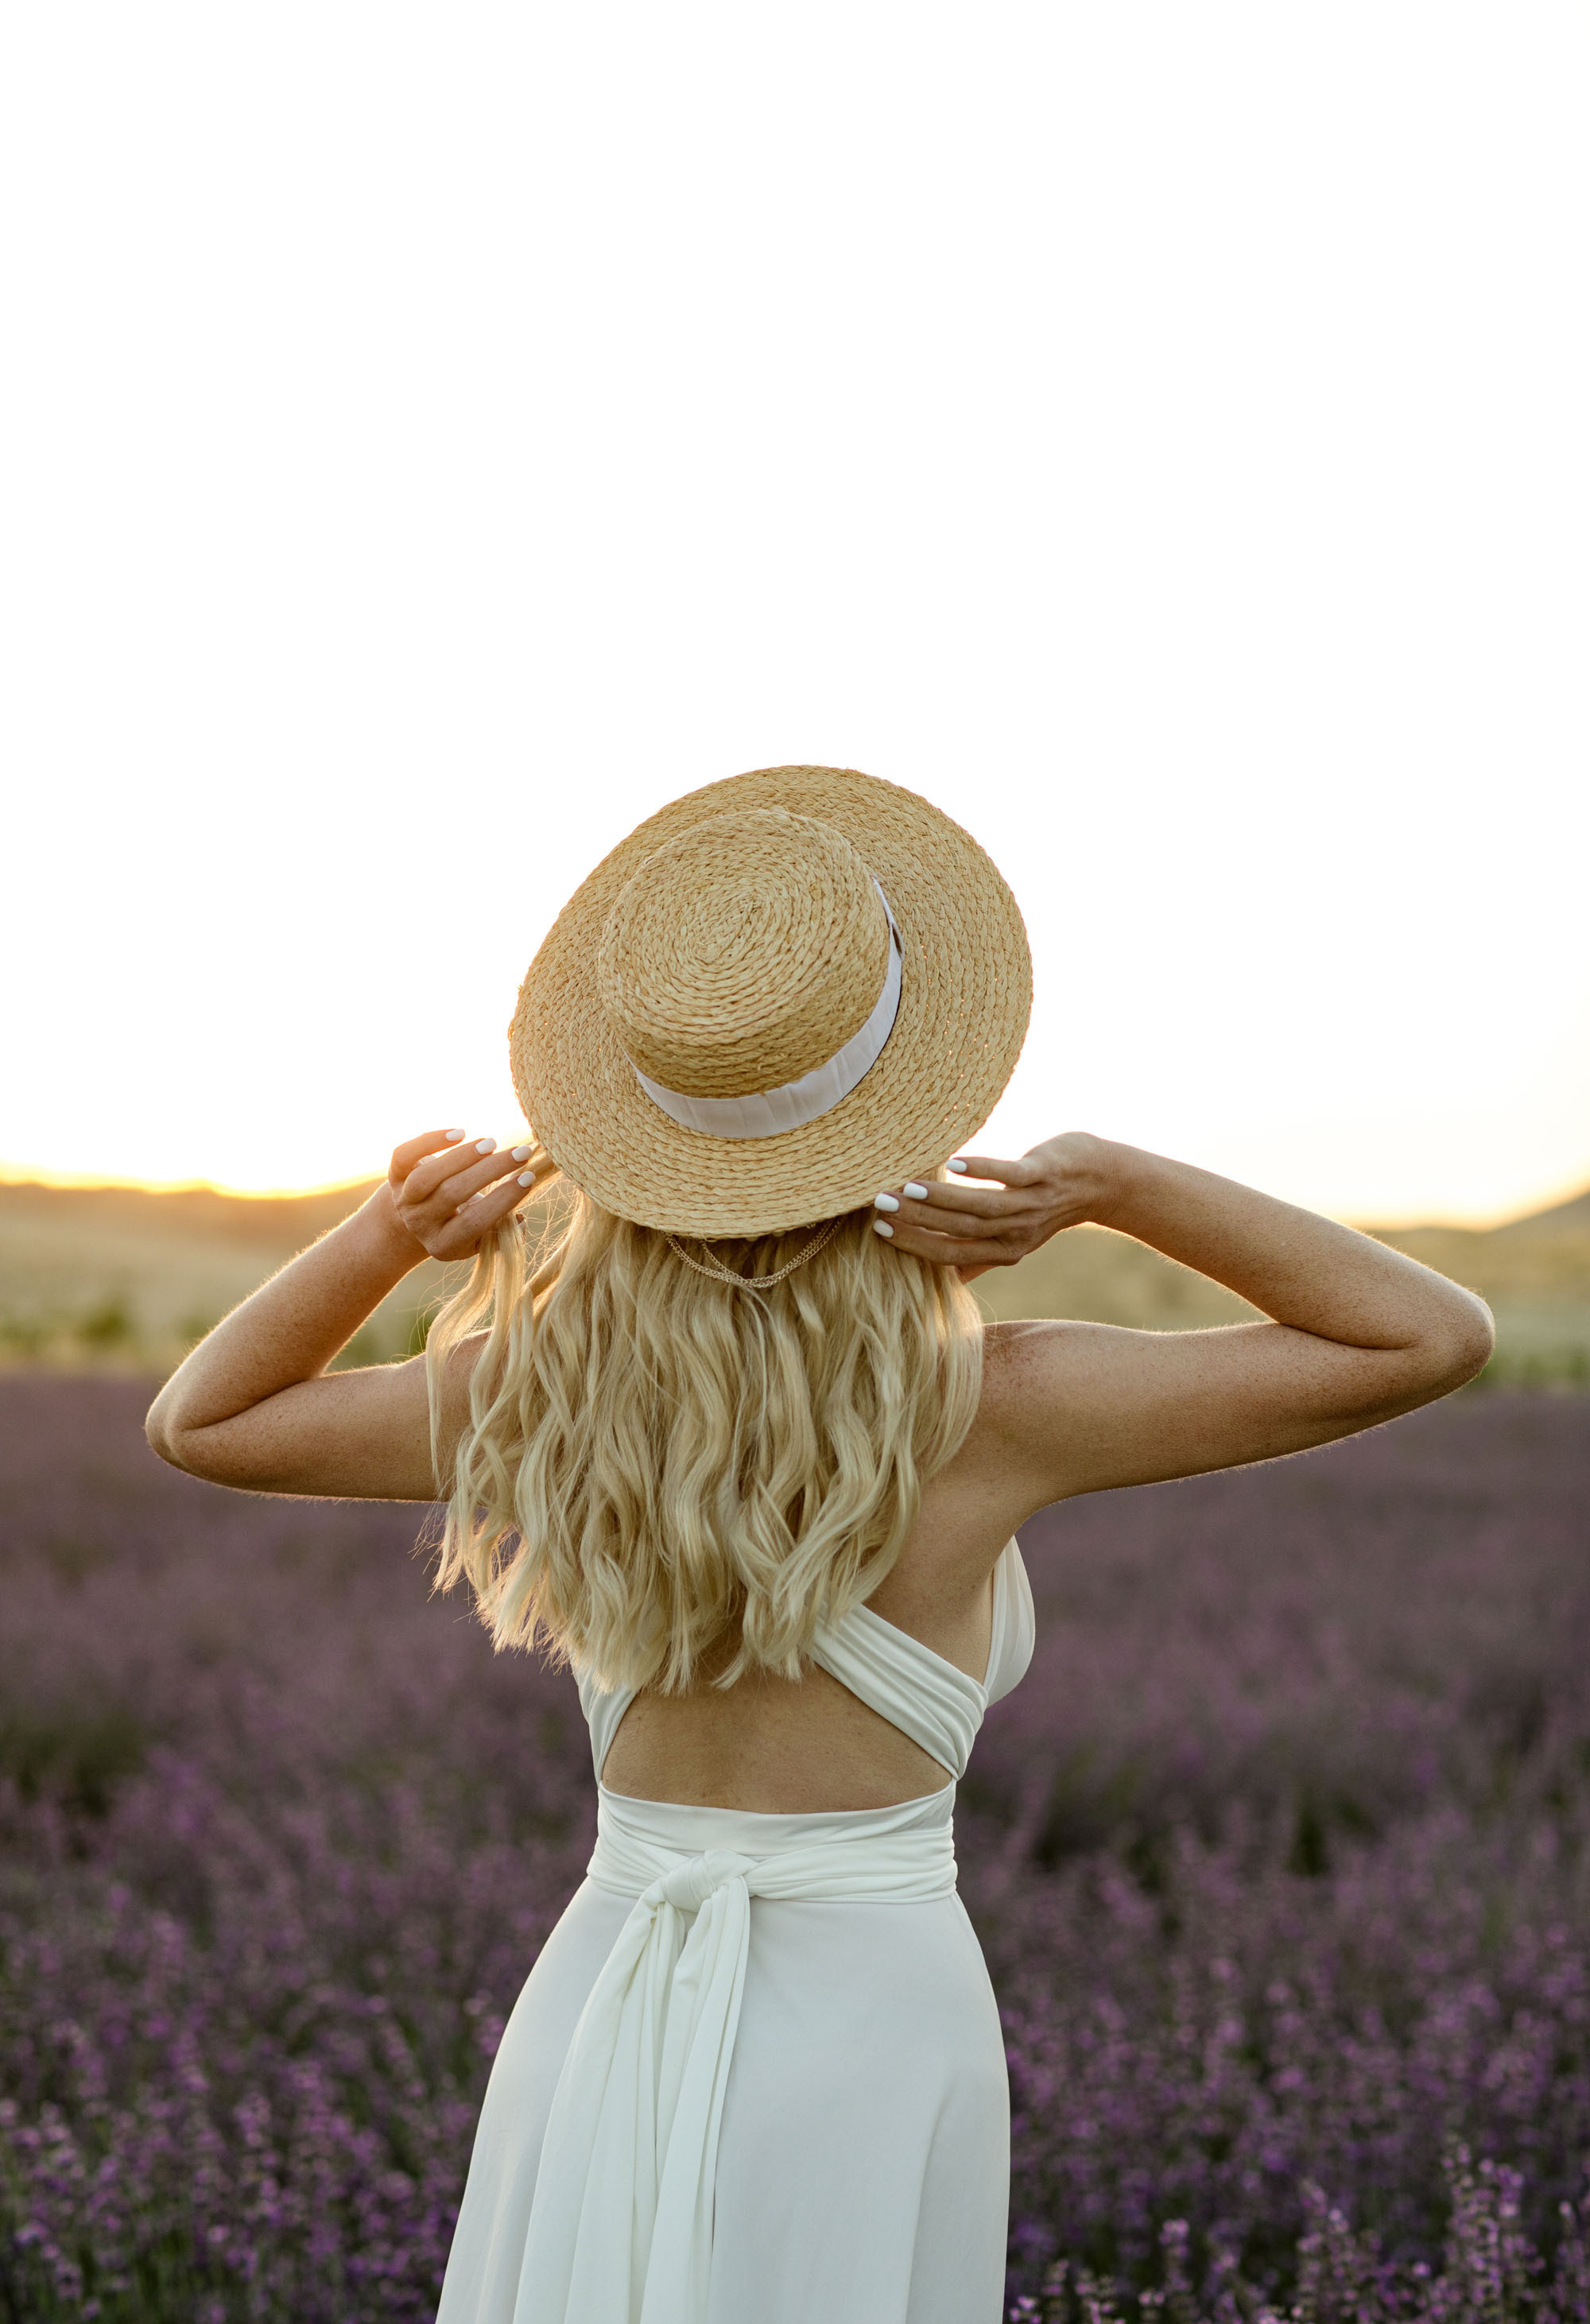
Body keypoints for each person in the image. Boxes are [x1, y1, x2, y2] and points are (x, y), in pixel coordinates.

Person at [145, 766, 1494, 2324]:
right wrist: (1119, 1187)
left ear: (627, 1130)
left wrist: (393, 1229)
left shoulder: (542, 1392)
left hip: (605, 1994)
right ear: (908, 1111)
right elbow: (1423, 1337)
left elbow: (207, 1424)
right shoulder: (1000, 1405)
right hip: (872, 2021)